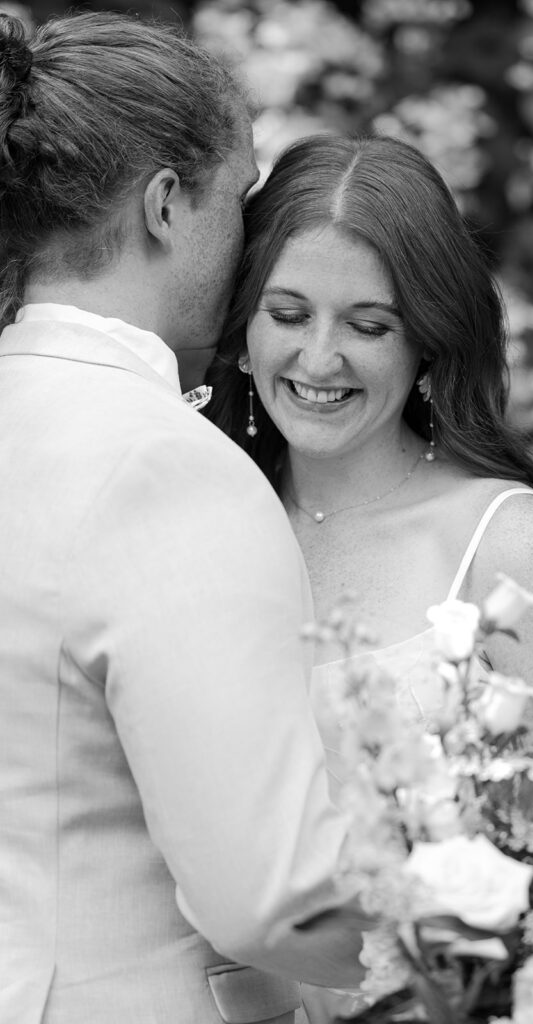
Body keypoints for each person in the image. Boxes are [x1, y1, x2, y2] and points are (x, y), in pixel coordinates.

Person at [0, 17, 370, 1024]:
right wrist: (508, 916)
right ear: (167, 204)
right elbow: (272, 901)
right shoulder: (161, 462)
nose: (255, 238)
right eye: (240, 195)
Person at [207, 134, 533, 777]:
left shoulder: (514, 548)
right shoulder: (206, 518)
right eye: (289, 315)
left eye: (369, 326)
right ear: (244, 329)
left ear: (429, 344)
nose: (320, 359)